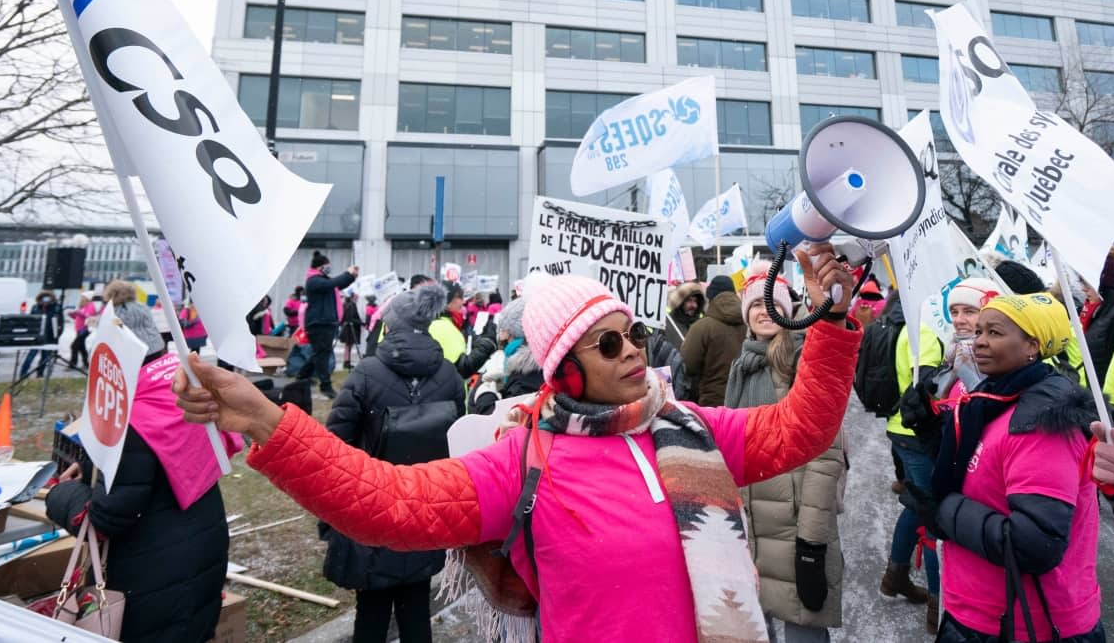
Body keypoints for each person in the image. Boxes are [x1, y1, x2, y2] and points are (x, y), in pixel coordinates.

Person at [174, 245, 861, 643]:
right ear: (562, 367)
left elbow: (803, 426)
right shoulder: (525, 460)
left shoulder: (692, 429)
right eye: (608, 342)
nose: (632, 353)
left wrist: (832, 321)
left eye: (636, 335)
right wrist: (271, 424)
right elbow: (387, 502)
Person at [901, 294, 1104, 642]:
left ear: (1032, 346)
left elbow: (1034, 543)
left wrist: (942, 512)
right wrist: (932, 432)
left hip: (1026, 624)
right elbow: (984, 475)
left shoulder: (1043, 424)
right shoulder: (996, 400)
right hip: (979, 611)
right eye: (978, 331)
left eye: (994, 332)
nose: (979, 340)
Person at [47, 279, 241, 642]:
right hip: (202, 551)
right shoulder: (186, 387)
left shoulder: (130, 417)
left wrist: (63, 494)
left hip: (151, 576)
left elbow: (107, 518)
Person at [321, 285, 464, 643]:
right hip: (427, 505)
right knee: (416, 607)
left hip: (372, 505)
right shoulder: (449, 375)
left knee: (371, 610)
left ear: (390, 325)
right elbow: (458, 443)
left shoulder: (366, 373)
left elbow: (334, 444)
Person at [726, 266, 845, 643]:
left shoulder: (800, 358)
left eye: (771, 303)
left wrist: (811, 542)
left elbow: (826, 455)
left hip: (795, 528)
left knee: (803, 630)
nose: (763, 311)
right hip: (754, 527)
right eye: (755, 305)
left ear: (785, 309)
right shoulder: (742, 366)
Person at [883, 297, 944, 632]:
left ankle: (895, 575)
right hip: (915, 432)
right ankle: (938, 605)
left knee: (917, 505)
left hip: (901, 429)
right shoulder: (925, 329)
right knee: (934, 516)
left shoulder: (910, 324)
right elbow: (927, 388)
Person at [680, 274, 747, 406]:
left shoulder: (702, 327)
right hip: (746, 403)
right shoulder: (751, 323)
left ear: (710, 298)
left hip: (712, 405)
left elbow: (686, 365)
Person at [299, 251, 358, 399]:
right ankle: (325, 386)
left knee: (320, 352)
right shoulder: (314, 281)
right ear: (320, 266)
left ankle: (302, 377)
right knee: (322, 353)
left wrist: (352, 276)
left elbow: (339, 284)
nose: (329, 268)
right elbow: (334, 283)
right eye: (327, 266)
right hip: (319, 323)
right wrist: (347, 273)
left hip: (325, 322)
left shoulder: (321, 280)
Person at [1081, 248, 1114, 383]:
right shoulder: (1106, 311)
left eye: (1087, 283)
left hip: (1112, 400)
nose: (1083, 289)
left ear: (1102, 285)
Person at [20, 290, 63, 379]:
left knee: (45, 357)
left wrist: (57, 334)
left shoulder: (56, 307)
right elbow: (30, 320)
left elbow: (60, 322)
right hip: (37, 336)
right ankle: (23, 374)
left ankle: (40, 373)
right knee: (31, 355)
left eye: (48, 297)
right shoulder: (35, 307)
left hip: (49, 336)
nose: (46, 300)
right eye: (44, 297)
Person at [67, 291, 99, 372]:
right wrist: (72, 314)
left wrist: (79, 312)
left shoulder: (91, 306)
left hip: (85, 329)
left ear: (87, 298)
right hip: (79, 329)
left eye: (83, 297)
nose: (81, 299)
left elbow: (89, 316)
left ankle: (72, 364)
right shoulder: (82, 306)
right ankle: (86, 364)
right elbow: (78, 318)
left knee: (74, 346)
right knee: (81, 347)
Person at [339, 292, 363, 370]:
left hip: (346, 327)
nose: (357, 298)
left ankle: (347, 361)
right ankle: (346, 362)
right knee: (348, 346)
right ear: (353, 297)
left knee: (348, 346)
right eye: (356, 296)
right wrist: (362, 323)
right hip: (350, 328)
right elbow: (351, 318)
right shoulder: (351, 305)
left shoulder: (345, 304)